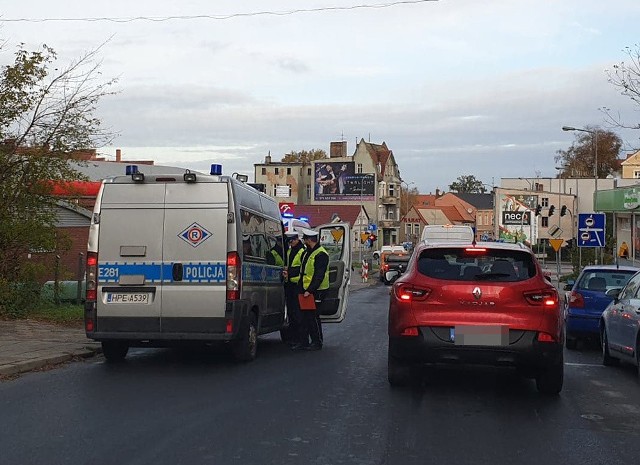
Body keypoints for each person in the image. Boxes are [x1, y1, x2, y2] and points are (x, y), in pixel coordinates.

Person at [292, 227, 330, 351]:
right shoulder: (307, 253)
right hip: (304, 289)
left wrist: (310, 290)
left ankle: (317, 341)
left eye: (305, 239)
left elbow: (319, 275)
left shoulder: (321, 254)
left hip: (317, 291)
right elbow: (303, 271)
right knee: (303, 317)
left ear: (309, 240)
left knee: (313, 317)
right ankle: (303, 342)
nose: (303, 242)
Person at [282, 229, 305, 346]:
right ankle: (293, 338)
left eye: (292, 241)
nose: (290, 243)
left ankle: (300, 339)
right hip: (289, 285)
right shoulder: (290, 251)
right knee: (291, 313)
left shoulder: (302, 251)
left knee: (298, 314)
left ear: (297, 239)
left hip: (298, 285)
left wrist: (289, 272)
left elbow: (301, 269)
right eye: (289, 242)